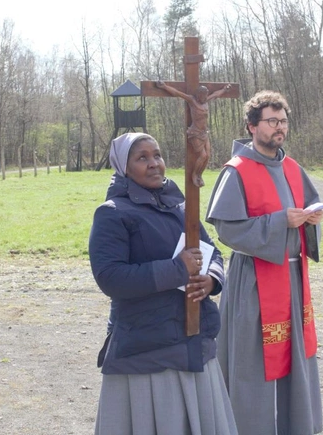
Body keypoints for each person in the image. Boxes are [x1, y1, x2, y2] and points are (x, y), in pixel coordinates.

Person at [89, 132, 238, 435]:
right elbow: (111, 277)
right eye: (141, 157)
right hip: (146, 349)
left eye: (156, 155)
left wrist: (211, 280)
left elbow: (213, 254)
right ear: (123, 166)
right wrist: (176, 270)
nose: (154, 163)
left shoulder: (181, 208)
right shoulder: (113, 214)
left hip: (195, 341)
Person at [206, 91, 323, 435]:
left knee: (295, 355)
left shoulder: (292, 167)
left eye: (283, 121)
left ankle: (295, 425)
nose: (279, 128)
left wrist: (311, 219)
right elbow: (228, 230)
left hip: (292, 275)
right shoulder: (237, 171)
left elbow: (308, 205)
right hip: (254, 279)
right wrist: (279, 223)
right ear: (252, 126)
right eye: (271, 121)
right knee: (252, 359)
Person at [155, 81, 232, 188]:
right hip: (195, 132)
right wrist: (164, 86)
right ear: (198, 95)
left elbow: (216, 94)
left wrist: (224, 90)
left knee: (208, 155)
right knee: (203, 155)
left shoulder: (206, 101)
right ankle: (195, 174)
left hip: (204, 133)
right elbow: (177, 93)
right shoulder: (192, 100)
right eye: (202, 95)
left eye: (205, 95)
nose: (204, 98)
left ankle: (200, 174)